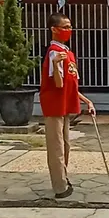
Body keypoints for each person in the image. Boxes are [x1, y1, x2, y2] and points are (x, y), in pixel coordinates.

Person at [41, 12, 96, 199]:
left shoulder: (67, 53)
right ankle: (60, 186)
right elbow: (58, 83)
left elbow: (72, 85)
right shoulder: (54, 53)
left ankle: (64, 177)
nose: (68, 30)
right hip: (54, 106)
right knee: (56, 147)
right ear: (54, 30)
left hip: (65, 105)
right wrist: (56, 65)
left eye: (70, 26)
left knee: (65, 145)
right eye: (64, 27)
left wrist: (86, 101)